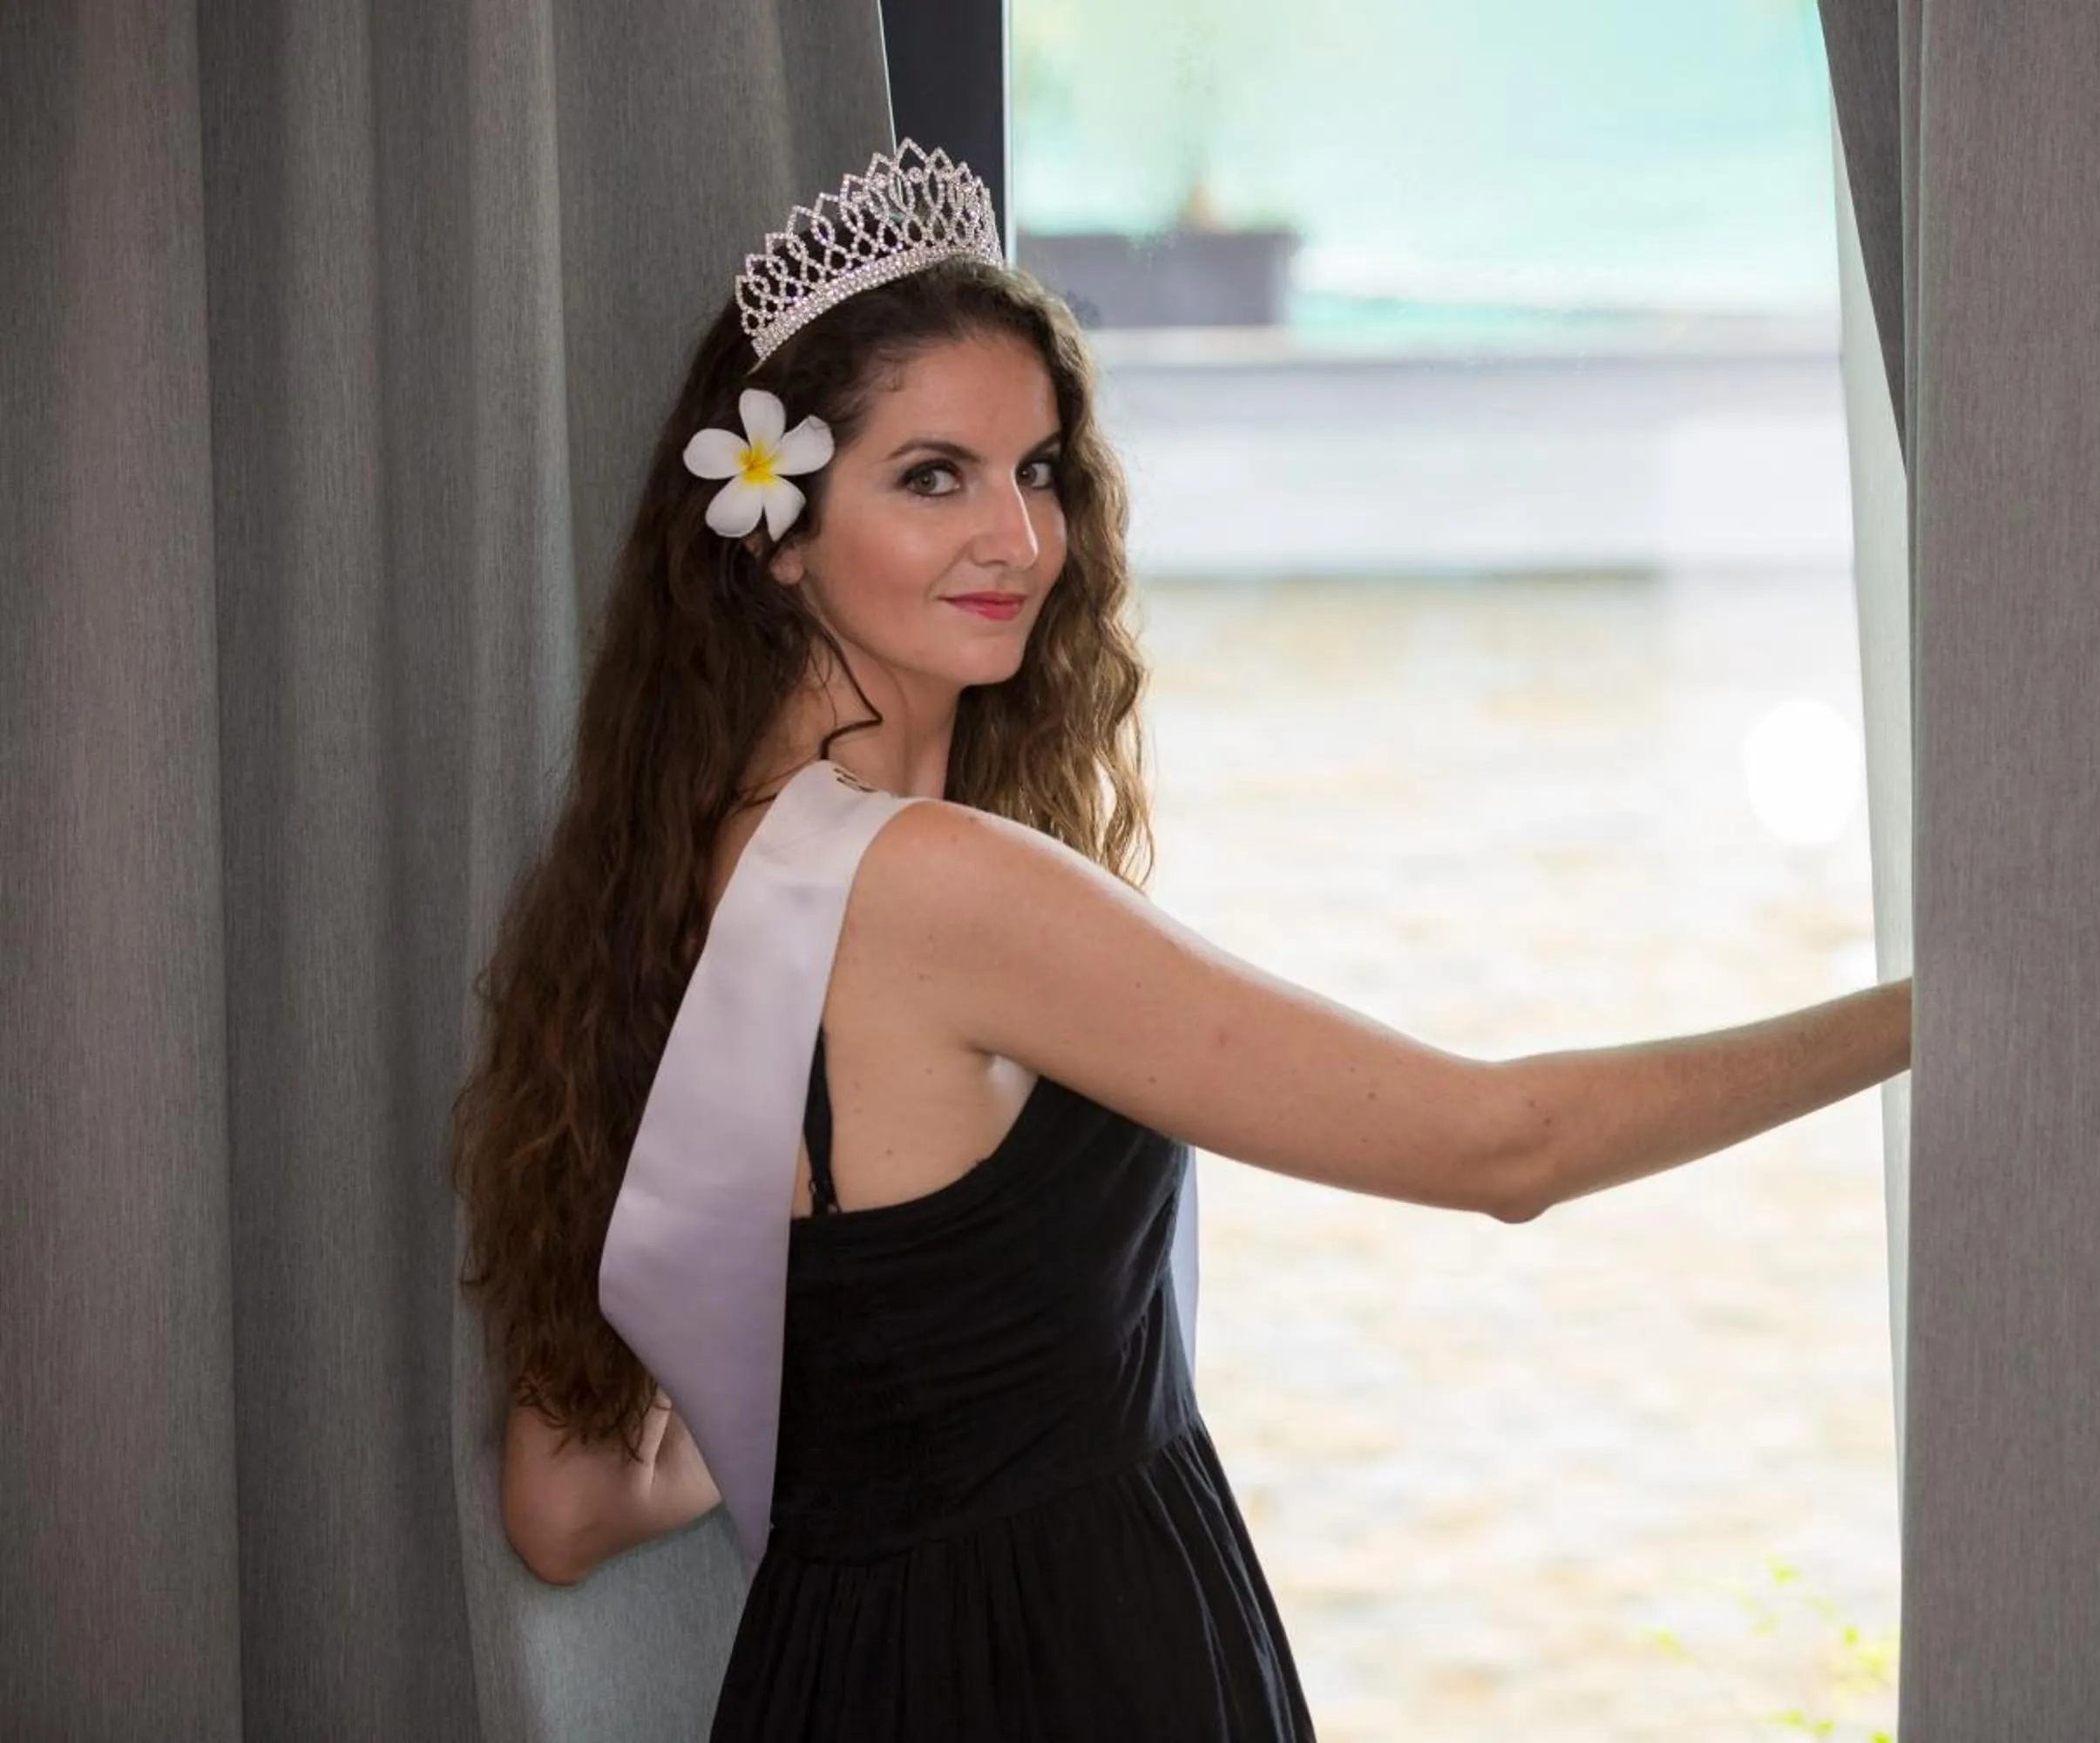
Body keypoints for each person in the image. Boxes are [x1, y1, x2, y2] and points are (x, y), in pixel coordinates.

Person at [448, 139, 1914, 1742]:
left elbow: (568, 1500)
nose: (1017, 537)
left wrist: (883, 1423)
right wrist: (1930, 1006)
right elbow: (1509, 1145)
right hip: (1064, 1673)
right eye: (933, 476)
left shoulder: (679, 876)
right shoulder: (937, 889)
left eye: (1041, 469)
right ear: (780, 530)